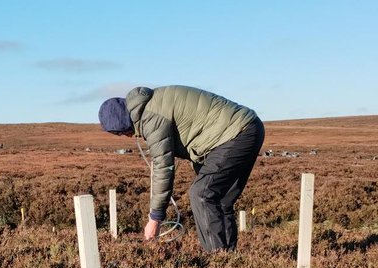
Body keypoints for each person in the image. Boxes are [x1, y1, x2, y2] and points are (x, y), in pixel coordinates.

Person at [98, 85, 264, 253]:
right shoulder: (152, 103)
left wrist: (155, 219)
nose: (127, 136)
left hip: (237, 134)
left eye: (121, 133)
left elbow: (163, 167)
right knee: (220, 200)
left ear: (124, 124)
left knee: (202, 194)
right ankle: (229, 260)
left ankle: (217, 260)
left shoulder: (151, 116)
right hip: (249, 128)